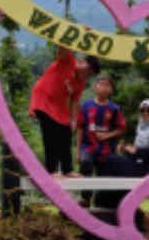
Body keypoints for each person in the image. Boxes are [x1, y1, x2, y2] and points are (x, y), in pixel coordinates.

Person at [29, 47, 99, 177]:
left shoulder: (80, 83)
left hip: (58, 106)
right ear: (81, 61)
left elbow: (74, 101)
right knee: (50, 134)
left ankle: (68, 170)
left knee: (66, 132)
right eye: (87, 70)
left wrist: (73, 120)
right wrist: (80, 36)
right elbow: (62, 46)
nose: (86, 75)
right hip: (43, 99)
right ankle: (52, 170)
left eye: (90, 74)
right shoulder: (68, 61)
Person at [76, 75, 126, 206]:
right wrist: (77, 151)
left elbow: (121, 128)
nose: (104, 87)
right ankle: (85, 199)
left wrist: (107, 135)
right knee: (86, 164)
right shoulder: (86, 105)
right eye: (101, 84)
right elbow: (80, 128)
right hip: (88, 146)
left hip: (107, 148)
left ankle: (102, 203)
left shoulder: (115, 108)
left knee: (105, 175)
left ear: (111, 90)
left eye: (107, 85)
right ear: (95, 87)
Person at [121, 99, 149, 176]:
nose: (145, 113)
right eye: (142, 110)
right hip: (138, 164)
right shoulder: (140, 127)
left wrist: (136, 151)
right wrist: (126, 148)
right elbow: (136, 149)